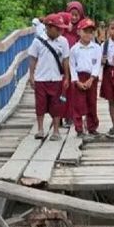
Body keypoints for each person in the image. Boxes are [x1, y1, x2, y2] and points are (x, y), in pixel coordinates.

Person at [28, 13, 70, 141]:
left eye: (61, 29)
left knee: (56, 105)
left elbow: (66, 60)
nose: (60, 31)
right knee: (40, 104)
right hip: (41, 78)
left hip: (56, 78)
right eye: (57, 28)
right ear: (48, 27)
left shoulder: (63, 41)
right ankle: (40, 129)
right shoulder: (38, 41)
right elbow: (33, 59)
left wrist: (67, 77)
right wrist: (31, 75)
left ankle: (56, 131)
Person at [69, 18, 102, 140]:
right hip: (79, 77)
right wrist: (76, 81)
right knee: (78, 104)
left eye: (90, 32)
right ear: (79, 32)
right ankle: (79, 128)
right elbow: (72, 66)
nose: (88, 34)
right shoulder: (74, 49)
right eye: (85, 31)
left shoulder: (96, 48)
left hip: (91, 78)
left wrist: (92, 79)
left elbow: (97, 64)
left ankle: (92, 126)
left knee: (92, 103)